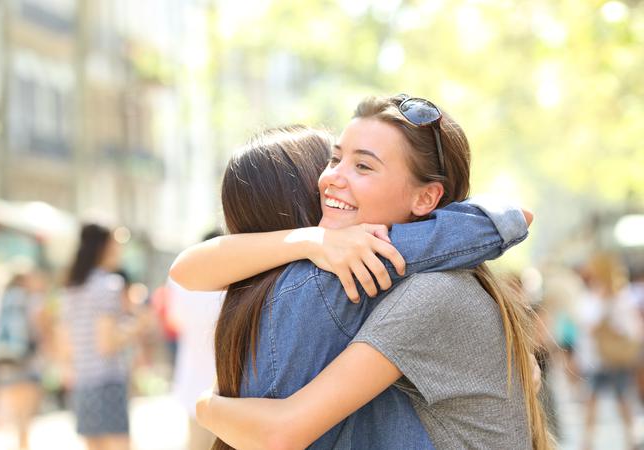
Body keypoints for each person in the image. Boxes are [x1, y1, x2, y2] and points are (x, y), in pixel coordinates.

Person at [172, 114, 538, 448]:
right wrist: (312, 239)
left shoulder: (391, 280)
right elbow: (186, 269)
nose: (333, 180)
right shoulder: (332, 276)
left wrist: (206, 404)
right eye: (334, 160)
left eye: (362, 166)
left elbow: (280, 432)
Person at [59, 223, 147, 450]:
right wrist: (134, 326)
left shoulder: (70, 289)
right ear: (105, 246)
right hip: (107, 379)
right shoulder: (108, 286)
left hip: (82, 380)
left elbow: (65, 343)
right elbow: (107, 343)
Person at [575, 252, 643, 450]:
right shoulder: (594, 294)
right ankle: (587, 442)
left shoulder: (620, 295)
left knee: (621, 399)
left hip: (613, 358)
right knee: (592, 400)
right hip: (597, 359)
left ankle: (631, 439)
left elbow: (631, 328)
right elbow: (585, 325)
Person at [168, 230, 225, 450]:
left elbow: (174, 321)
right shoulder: (236, 279)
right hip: (230, 390)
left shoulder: (180, 279)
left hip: (193, 381)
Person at [0, 265, 47, 450]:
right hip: (27, 363)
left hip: (4, 364)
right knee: (24, 422)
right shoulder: (32, 301)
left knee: (8, 422)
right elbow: (40, 330)